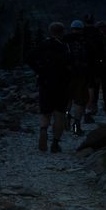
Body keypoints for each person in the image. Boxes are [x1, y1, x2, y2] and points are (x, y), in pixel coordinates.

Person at [28, 22, 72, 153]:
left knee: (45, 112)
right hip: (61, 84)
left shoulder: (43, 45)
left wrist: (39, 70)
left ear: (50, 31)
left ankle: (43, 130)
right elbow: (70, 64)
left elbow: (29, 58)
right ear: (62, 32)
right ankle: (55, 143)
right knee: (59, 114)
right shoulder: (65, 47)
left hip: (45, 82)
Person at [80, 18, 106, 123]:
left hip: (80, 66)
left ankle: (70, 114)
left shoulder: (81, 33)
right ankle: (91, 109)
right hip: (94, 65)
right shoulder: (98, 34)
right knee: (93, 87)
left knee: (81, 87)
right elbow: (103, 50)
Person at [65, 19, 90, 133]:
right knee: (80, 101)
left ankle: (66, 118)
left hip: (67, 76)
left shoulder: (64, 41)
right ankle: (76, 126)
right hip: (81, 75)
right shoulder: (85, 41)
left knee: (68, 99)